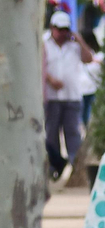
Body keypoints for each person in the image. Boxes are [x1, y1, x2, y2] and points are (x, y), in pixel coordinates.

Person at [44, 10, 94, 182]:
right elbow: (39, 66)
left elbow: (89, 58)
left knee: (72, 132)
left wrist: (79, 40)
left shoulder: (74, 46)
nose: (62, 33)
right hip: (51, 97)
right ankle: (55, 167)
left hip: (72, 96)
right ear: (52, 28)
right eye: (59, 29)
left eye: (65, 29)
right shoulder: (44, 44)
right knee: (51, 133)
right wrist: (50, 80)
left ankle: (75, 166)